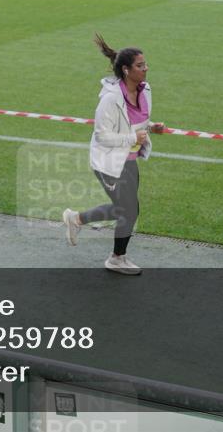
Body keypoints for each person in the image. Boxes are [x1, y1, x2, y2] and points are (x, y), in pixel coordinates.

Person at [62, 34, 165, 275]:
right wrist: (132, 138)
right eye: (140, 66)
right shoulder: (109, 100)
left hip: (128, 159)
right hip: (109, 162)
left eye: (145, 64)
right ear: (127, 70)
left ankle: (76, 219)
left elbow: (137, 122)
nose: (146, 68)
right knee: (128, 210)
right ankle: (116, 258)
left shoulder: (144, 90)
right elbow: (101, 135)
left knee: (126, 209)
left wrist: (151, 128)